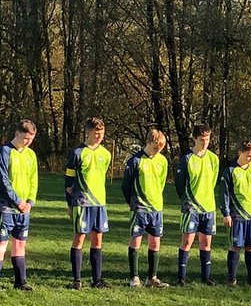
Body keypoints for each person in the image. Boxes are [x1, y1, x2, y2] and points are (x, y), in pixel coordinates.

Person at [0, 119, 39, 293]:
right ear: (17, 134)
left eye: (31, 139)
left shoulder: (31, 155)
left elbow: (34, 181)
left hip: (24, 209)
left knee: (20, 244)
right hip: (5, 208)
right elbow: (3, 181)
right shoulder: (4, 151)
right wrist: (18, 201)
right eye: (25, 138)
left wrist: (30, 201)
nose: (28, 142)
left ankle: (20, 281)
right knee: (0, 243)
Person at [65, 117, 113, 289]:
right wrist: (70, 204)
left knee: (97, 240)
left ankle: (96, 279)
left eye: (102, 133)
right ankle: (76, 280)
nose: (99, 136)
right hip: (82, 202)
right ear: (88, 132)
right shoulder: (77, 153)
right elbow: (68, 180)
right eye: (96, 133)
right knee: (79, 239)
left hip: (99, 203)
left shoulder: (106, 154)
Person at [122, 128, 170, 288]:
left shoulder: (162, 161)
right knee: (136, 240)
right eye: (156, 147)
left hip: (156, 208)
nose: (158, 151)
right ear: (148, 142)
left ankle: (152, 277)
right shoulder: (135, 161)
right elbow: (126, 186)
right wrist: (134, 203)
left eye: (161, 148)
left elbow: (161, 183)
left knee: (155, 242)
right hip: (139, 208)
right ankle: (134, 277)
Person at [174, 123, 220, 286]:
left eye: (207, 139)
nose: (205, 142)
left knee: (206, 242)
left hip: (208, 207)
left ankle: (205, 276)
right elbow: (180, 184)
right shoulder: (186, 159)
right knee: (187, 240)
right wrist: (187, 200)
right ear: (194, 139)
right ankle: (181, 276)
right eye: (202, 139)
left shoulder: (213, 159)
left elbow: (213, 181)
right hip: (191, 207)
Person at [221, 141, 251, 287]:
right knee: (235, 245)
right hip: (237, 215)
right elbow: (225, 194)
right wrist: (226, 213)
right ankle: (231, 278)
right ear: (240, 153)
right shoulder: (230, 171)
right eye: (248, 156)